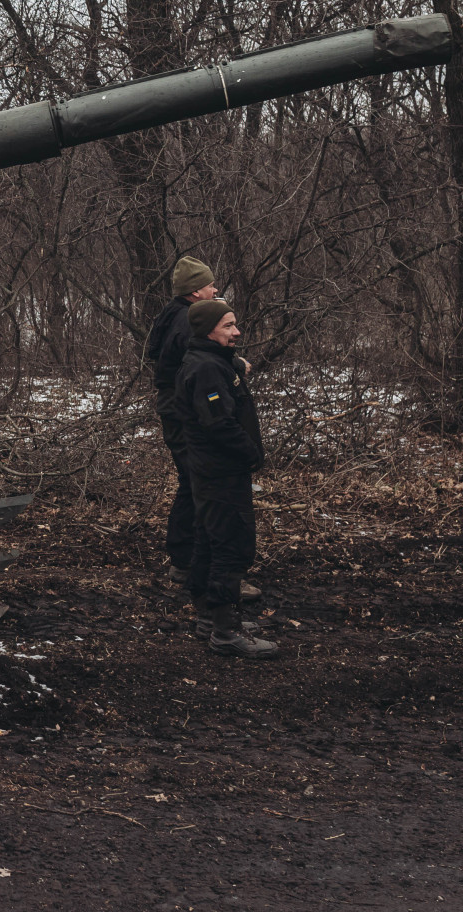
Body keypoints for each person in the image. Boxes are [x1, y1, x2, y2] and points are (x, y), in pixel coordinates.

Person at [175, 299, 279, 659]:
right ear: (208, 331)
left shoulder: (210, 361)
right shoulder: (206, 371)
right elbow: (218, 423)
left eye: (235, 325)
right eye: (228, 327)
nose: (236, 332)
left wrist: (234, 362)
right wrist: (251, 452)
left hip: (214, 471)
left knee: (208, 541)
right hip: (220, 472)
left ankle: (209, 618)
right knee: (229, 547)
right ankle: (224, 632)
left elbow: (219, 366)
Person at [145, 256, 216, 585]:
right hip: (182, 412)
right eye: (210, 285)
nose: (215, 290)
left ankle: (186, 559)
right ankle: (189, 562)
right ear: (195, 292)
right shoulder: (187, 321)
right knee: (197, 484)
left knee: (193, 484)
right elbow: (196, 367)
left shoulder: (174, 313)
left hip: (175, 408)